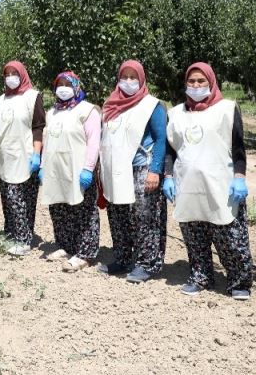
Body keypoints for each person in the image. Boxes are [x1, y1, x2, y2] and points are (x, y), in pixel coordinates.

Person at [163, 62, 252, 300]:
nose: (196, 85)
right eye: (191, 81)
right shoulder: (175, 114)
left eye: (201, 81)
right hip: (188, 186)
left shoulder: (226, 108)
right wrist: (168, 177)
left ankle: (239, 281)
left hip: (221, 185)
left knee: (230, 235)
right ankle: (201, 275)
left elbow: (238, 148)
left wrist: (240, 178)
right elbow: (170, 150)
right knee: (194, 235)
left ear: (211, 82)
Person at [99, 60, 167, 283]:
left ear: (141, 79)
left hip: (141, 168)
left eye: (133, 77)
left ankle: (147, 263)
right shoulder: (111, 104)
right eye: (124, 77)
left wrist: (155, 170)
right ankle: (123, 258)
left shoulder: (152, 105)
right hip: (116, 169)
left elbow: (160, 139)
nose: (128, 81)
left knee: (144, 216)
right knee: (118, 214)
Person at [40, 71, 100, 272]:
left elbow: (93, 141)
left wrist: (88, 168)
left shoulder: (87, 110)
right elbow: (47, 141)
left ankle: (85, 253)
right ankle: (65, 245)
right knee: (59, 209)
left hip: (78, 171)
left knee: (83, 211)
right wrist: (42, 167)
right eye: (59, 84)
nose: (63, 88)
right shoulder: (52, 112)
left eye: (67, 83)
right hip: (56, 172)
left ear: (76, 86)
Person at [0, 61, 45, 256]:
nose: (10, 77)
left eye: (14, 73)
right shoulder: (0, 101)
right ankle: (11, 232)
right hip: (5, 156)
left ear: (22, 74)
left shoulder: (32, 97)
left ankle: (24, 239)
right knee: (7, 198)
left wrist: (37, 154)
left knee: (21, 199)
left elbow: (38, 127)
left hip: (25, 155)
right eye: (7, 73)